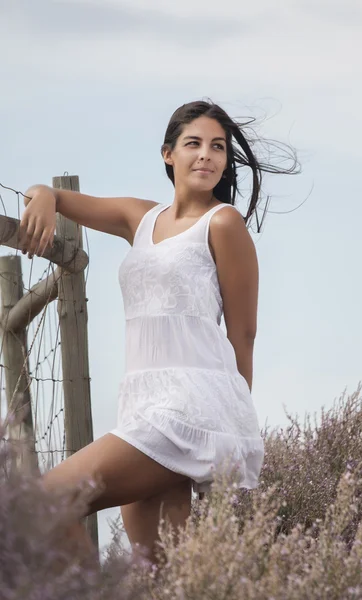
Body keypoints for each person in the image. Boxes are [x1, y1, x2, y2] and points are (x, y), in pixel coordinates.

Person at [20, 99, 298, 568]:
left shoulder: (223, 223)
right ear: (168, 154)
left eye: (217, 147)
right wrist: (41, 194)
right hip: (143, 403)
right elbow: (59, 198)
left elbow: (243, 334)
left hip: (187, 409)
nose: (206, 155)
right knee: (162, 571)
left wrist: (224, 435)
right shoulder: (140, 219)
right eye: (194, 144)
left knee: (49, 499)